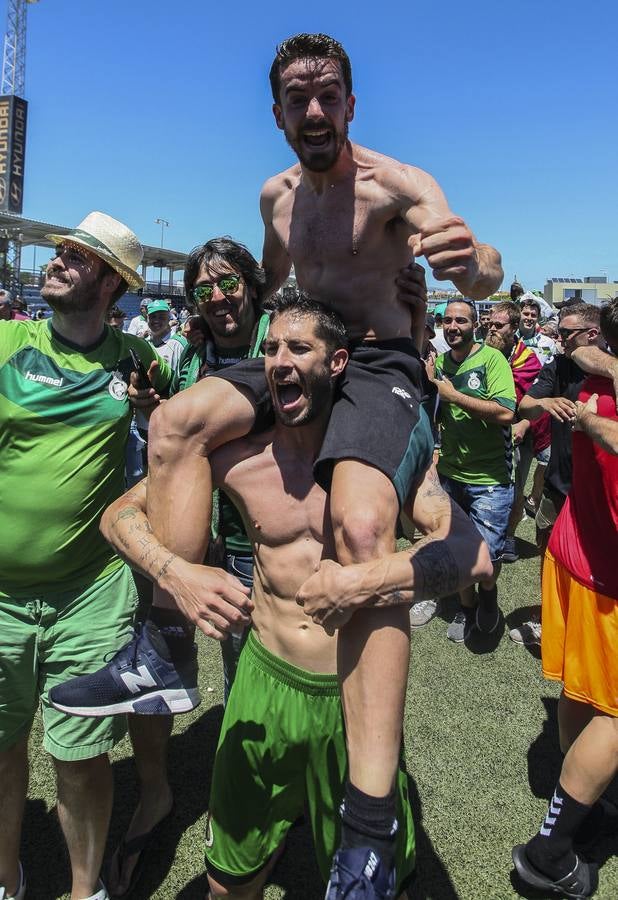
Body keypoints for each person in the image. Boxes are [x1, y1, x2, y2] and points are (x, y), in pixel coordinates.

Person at [57, 32, 502, 892]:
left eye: (328, 94)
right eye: (297, 99)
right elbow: (270, 289)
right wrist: (215, 329)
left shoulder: (399, 188)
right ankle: (165, 642)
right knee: (182, 422)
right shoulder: (276, 198)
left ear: (350, 102)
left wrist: (473, 269)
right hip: (296, 349)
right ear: (276, 114)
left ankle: (369, 824)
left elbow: (475, 262)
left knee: (362, 522)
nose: (313, 112)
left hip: (376, 362)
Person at [86, 296, 492, 898]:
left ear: (338, 364)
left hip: (349, 697)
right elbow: (119, 516)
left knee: (374, 888)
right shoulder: (236, 457)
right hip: (262, 681)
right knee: (230, 883)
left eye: (299, 348)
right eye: (272, 347)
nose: (280, 360)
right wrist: (178, 573)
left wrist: (360, 581)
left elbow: (473, 556)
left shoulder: (376, 472)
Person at [0, 212, 171, 900]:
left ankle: (83, 890)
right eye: (62, 250)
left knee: (81, 757)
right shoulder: (8, 340)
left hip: (90, 592)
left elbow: (179, 422)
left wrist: (154, 407)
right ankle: (6, 877)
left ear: (111, 284)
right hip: (0, 596)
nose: (59, 259)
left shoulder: (137, 362)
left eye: (78, 255)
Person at [512, 299, 618, 899]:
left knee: (579, 692)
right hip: (604, 579)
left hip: (576, 559)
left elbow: (580, 355)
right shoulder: (594, 377)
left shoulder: (596, 380)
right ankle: (548, 853)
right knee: (615, 717)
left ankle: (583, 796)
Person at [510, 303, 605, 644]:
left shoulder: (608, 371)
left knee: (595, 564)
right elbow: (525, 404)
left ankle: (584, 628)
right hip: (557, 484)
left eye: (566, 333)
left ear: (592, 334)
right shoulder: (559, 365)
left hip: (599, 491)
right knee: (547, 553)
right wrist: (545, 404)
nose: (558, 338)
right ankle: (549, 618)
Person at [428, 299, 516, 642]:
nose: (452, 327)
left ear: (475, 323)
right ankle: (467, 611)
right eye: (447, 320)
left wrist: (452, 396)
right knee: (458, 549)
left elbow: (507, 412)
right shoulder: (439, 365)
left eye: (460, 320)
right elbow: (436, 413)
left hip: (491, 480)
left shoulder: (491, 360)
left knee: (488, 556)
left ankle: (489, 594)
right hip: (451, 473)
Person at [484, 301, 550, 563]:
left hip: (520, 437)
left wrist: (523, 423)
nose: (492, 330)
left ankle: (509, 537)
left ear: (513, 328)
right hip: (484, 433)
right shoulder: (478, 353)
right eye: (489, 324)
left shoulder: (527, 360)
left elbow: (536, 400)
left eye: (498, 326)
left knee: (515, 489)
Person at [517, 293, 557, 364]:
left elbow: (548, 364)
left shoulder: (547, 343)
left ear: (538, 318)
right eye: (526, 314)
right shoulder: (509, 340)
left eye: (533, 315)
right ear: (519, 315)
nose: (529, 318)